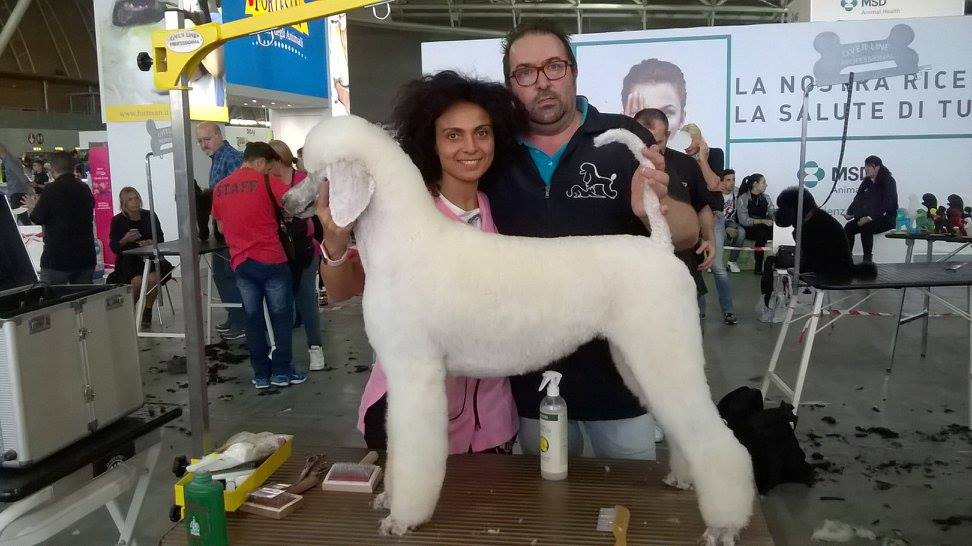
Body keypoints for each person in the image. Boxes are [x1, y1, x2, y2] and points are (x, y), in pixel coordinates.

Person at [488, 21, 697, 460]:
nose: (542, 82)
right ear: (510, 85)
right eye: (525, 72)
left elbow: (687, 233)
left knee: (632, 493)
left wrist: (653, 209)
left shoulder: (626, 139)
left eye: (554, 66)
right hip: (528, 385)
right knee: (543, 498)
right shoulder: (493, 151)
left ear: (574, 71)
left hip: (619, 386)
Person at [317, 71, 521, 454]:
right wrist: (335, 241)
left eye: (481, 132)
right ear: (432, 142)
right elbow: (343, 290)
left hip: (494, 423)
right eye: (453, 135)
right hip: (414, 416)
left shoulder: (504, 212)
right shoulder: (401, 215)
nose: (470, 147)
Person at [211, 142, 306, 390]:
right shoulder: (267, 182)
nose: (270, 172)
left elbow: (220, 227)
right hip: (271, 259)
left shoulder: (220, 188)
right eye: (269, 167)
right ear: (261, 162)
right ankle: (282, 371)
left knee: (252, 318)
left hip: (241, 262)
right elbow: (294, 206)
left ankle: (261, 374)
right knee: (281, 316)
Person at [633, 108, 727, 324]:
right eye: (645, 142)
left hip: (683, 263)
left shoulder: (686, 165)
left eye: (658, 141)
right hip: (638, 269)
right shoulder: (620, 164)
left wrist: (710, 239)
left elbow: (701, 205)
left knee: (689, 325)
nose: (652, 149)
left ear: (668, 135)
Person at [267, 139, 326, 372]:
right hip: (279, 250)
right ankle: (281, 353)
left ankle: (315, 348)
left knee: (307, 299)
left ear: (278, 159)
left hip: (305, 248)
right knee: (281, 303)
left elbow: (320, 209)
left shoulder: (304, 179)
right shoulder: (267, 182)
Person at [196, 121, 246, 340]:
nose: (203, 145)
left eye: (206, 139)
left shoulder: (231, 158)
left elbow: (237, 196)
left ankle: (241, 320)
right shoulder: (217, 159)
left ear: (218, 135)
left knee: (230, 276)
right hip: (222, 229)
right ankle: (234, 316)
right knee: (221, 275)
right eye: (199, 141)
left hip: (232, 230)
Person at [20, 151, 95, 284]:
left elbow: (37, 218)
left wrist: (33, 207)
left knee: (52, 295)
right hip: (85, 255)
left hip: (57, 258)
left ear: (53, 169)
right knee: (83, 295)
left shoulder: (51, 190)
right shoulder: (84, 189)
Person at [108, 187, 167, 328]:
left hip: (150, 258)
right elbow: (114, 247)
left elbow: (160, 238)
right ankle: (130, 310)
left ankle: (147, 310)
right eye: (130, 199)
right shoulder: (118, 220)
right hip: (128, 261)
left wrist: (150, 242)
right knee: (137, 282)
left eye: (136, 198)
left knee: (153, 279)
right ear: (123, 203)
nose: (135, 202)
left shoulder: (149, 215)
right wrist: (125, 240)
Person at [843, 155, 898, 263]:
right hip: (868, 216)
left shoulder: (888, 181)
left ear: (877, 167)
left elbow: (887, 204)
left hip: (886, 217)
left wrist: (869, 218)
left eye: (868, 166)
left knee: (867, 227)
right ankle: (847, 259)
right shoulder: (867, 181)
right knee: (848, 228)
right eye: (865, 166)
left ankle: (867, 261)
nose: (866, 169)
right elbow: (858, 199)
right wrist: (851, 213)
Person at [735, 173, 775, 275]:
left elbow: (772, 213)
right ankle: (758, 267)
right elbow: (743, 220)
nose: (766, 185)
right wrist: (762, 221)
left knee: (778, 232)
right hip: (748, 228)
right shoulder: (743, 198)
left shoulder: (766, 198)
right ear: (755, 184)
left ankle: (779, 264)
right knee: (761, 234)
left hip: (762, 226)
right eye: (763, 182)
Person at [0, 144, 33, 225]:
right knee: (21, 218)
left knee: (23, 218)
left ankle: (29, 231)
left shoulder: (10, 160)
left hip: (17, 193)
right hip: (15, 192)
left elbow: (20, 174)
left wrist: (28, 187)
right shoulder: (6, 160)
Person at [722, 170, 745, 273]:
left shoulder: (737, 192)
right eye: (728, 180)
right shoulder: (715, 193)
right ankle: (714, 262)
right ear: (722, 181)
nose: (732, 183)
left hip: (730, 221)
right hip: (716, 220)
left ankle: (732, 262)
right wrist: (725, 228)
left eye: (733, 180)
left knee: (741, 232)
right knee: (720, 233)